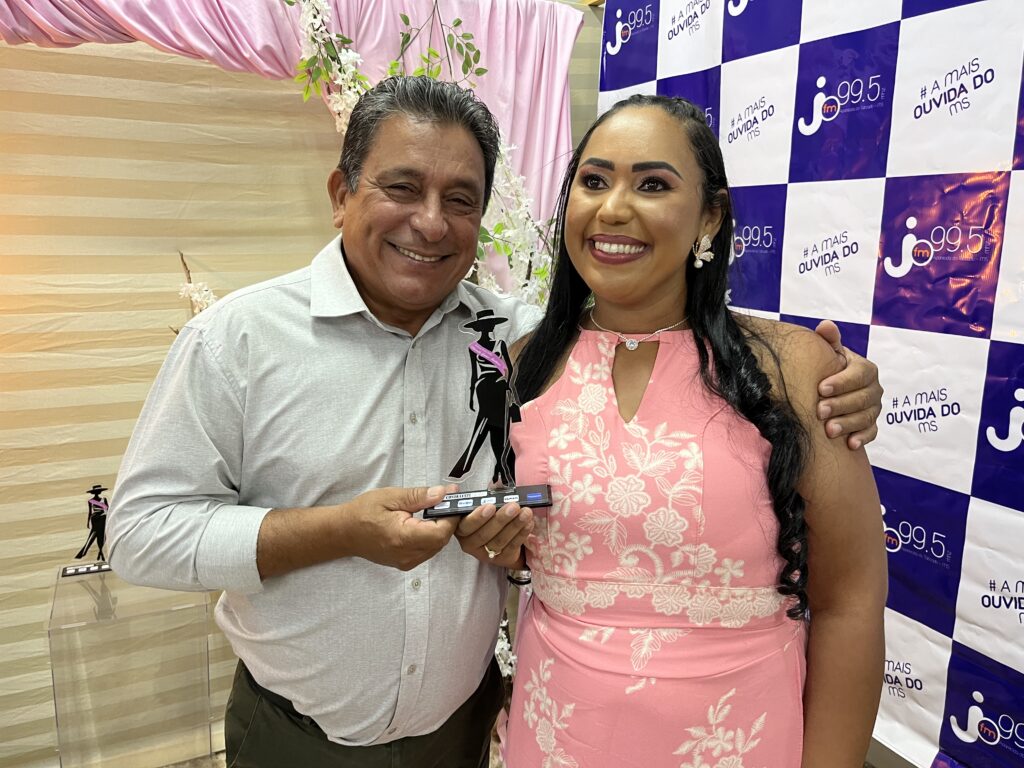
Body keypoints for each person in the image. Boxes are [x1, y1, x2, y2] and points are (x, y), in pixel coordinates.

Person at [108, 78, 883, 768]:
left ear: (709, 216)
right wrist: (338, 530)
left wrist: (841, 382)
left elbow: (560, 516)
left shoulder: (512, 343)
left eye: (460, 199)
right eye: (402, 187)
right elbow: (139, 534)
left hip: (474, 730)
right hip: (299, 735)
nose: (430, 223)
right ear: (342, 192)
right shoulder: (240, 341)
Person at [486, 95, 887, 767]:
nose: (614, 209)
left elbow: (850, 600)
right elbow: (529, 548)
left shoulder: (794, 369)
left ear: (711, 216)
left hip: (738, 740)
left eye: (652, 185)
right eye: (594, 180)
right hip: (556, 734)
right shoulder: (527, 363)